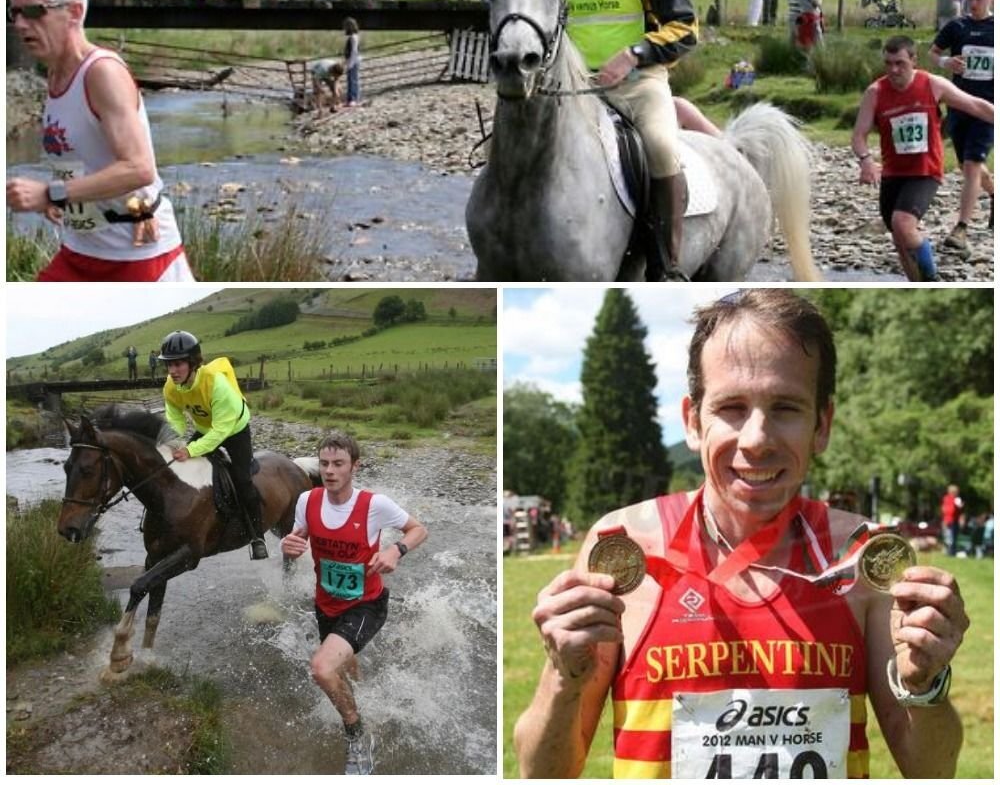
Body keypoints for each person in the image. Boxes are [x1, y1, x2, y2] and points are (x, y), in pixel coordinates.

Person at [514, 289, 969, 780]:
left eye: (786, 407)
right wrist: (563, 677)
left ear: (823, 424)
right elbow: (543, 772)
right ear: (693, 421)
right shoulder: (627, 546)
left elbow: (931, 769)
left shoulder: (859, 558)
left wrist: (925, 684)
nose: (756, 439)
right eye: (732, 407)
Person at [553, 0, 698, 281]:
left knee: (659, 144)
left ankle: (667, 265)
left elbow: (686, 28)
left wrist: (634, 54)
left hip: (637, 83)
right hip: (574, 88)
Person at [6, 0, 192, 281]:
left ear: (75, 12)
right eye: (14, 13)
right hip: (82, 249)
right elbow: (89, 159)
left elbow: (139, 168)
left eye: (34, 12)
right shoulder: (54, 73)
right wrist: (65, 199)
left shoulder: (102, 72)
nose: (20, 24)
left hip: (137, 254)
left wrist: (51, 193)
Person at [280, 431, 428, 775]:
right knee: (343, 666)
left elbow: (419, 529)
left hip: (367, 604)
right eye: (324, 463)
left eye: (338, 464)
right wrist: (291, 543)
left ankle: (357, 735)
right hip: (325, 603)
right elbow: (298, 534)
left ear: (354, 466)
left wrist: (395, 549)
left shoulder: (374, 505)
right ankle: (363, 696)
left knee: (321, 668)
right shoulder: (307, 500)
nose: (329, 471)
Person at [851, 34, 994, 281]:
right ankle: (915, 283)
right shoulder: (875, 92)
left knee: (903, 223)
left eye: (900, 63)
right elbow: (858, 136)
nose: (894, 70)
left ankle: (932, 279)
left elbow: (976, 106)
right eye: (888, 63)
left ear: (914, 60)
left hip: (925, 171)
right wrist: (866, 161)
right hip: (893, 173)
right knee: (900, 239)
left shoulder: (932, 84)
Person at [159, 329, 268, 560]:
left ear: (192, 363)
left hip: (234, 429)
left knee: (242, 479)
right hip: (206, 428)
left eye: (178, 364)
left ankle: (257, 536)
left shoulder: (216, 384)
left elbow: (221, 432)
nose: (172, 371)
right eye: (169, 365)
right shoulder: (170, 386)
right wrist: (173, 442)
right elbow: (176, 418)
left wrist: (190, 450)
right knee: (182, 468)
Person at [928, 0, 994, 255]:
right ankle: (993, 192)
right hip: (959, 106)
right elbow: (932, 53)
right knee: (971, 167)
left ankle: (962, 228)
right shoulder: (957, 26)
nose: (974, 2)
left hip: (989, 110)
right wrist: (946, 62)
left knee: (970, 165)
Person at [940, 484, 964, 557]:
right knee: (951, 537)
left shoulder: (947, 498)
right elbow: (959, 509)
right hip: (951, 521)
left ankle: (950, 552)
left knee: (950, 537)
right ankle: (950, 552)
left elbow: (943, 509)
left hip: (949, 520)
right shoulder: (955, 499)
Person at [343, 17, 362, 107]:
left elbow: (354, 51)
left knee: (353, 80)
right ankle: (350, 98)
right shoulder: (352, 37)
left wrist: (350, 63)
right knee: (350, 80)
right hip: (351, 61)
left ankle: (354, 98)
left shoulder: (354, 37)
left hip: (353, 61)